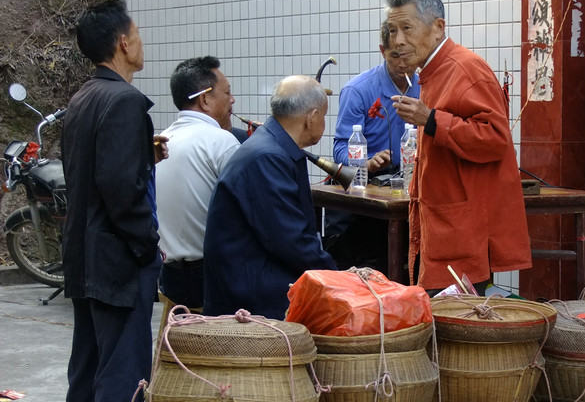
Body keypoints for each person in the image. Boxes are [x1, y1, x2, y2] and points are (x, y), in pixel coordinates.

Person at [60, 0, 167, 402]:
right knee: (124, 365)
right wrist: (148, 245)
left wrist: (142, 154)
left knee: (89, 358)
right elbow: (122, 191)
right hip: (117, 256)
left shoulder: (82, 98)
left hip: (83, 251)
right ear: (123, 43)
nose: (142, 40)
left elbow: (99, 171)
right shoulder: (123, 101)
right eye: (138, 32)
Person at [386, 0, 531, 294]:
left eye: (407, 29)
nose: (398, 41)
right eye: (392, 31)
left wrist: (432, 120)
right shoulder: (433, 71)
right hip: (444, 224)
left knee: (458, 330)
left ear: (438, 28)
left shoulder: (465, 68)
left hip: (462, 231)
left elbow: (495, 139)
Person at [203, 75, 338, 318]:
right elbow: (290, 240)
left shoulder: (273, 147)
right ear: (312, 117)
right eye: (324, 116)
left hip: (257, 275)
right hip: (250, 293)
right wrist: (338, 278)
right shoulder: (267, 158)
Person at [325, 22, 421, 271]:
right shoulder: (359, 90)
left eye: (409, 57)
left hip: (409, 192)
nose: (403, 65)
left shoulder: (426, 87)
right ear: (382, 50)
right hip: (367, 199)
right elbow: (339, 148)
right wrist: (364, 163)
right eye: (395, 56)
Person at [156, 56, 239, 309]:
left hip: (169, 278)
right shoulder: (221, 142)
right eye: (227, 93)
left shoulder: (160, 142)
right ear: (204, 99)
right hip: (211, 277)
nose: (232, 100)